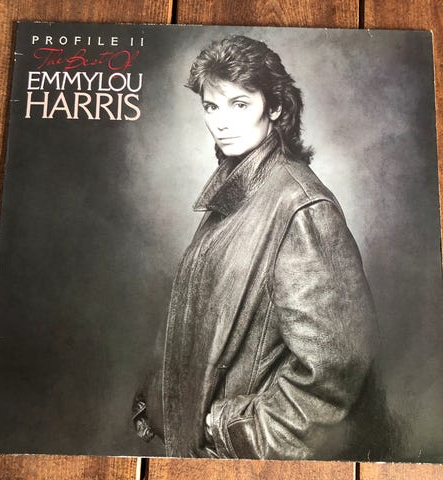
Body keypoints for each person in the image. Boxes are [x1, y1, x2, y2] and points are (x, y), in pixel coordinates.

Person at [133, 35, 388, 460]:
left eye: (239, 104)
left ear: (275, 108)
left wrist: (224, 428)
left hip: (239, 464)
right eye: (211, 107)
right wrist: (158, 402)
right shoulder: (238, 191)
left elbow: (334, 371)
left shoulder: (302, 207)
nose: (221, 123)